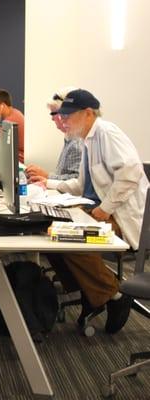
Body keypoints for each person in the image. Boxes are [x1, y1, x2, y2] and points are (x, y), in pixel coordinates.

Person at [42, 89, 149, 334]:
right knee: (49, 232)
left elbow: (130, 172)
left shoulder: (107, 133)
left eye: (69, 116)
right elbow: (80, 185)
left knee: (69, 240)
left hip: (121, 216)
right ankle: (92, 291)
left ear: (88, 113)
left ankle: (113, 294)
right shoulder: (86, 139)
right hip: (97, 209)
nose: (64, 120)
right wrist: (46, 185)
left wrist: (104, 209)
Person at [26, 87, 82, 183]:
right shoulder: (69, 139)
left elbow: (77, 180)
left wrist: (47, 176)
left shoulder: (76, 144)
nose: (52, 118)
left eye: (53, 113)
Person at [0, 89, 25, 162]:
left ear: (2, 106)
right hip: (12, 158)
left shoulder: (11, 120)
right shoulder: (14, 113)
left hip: (17, 161)